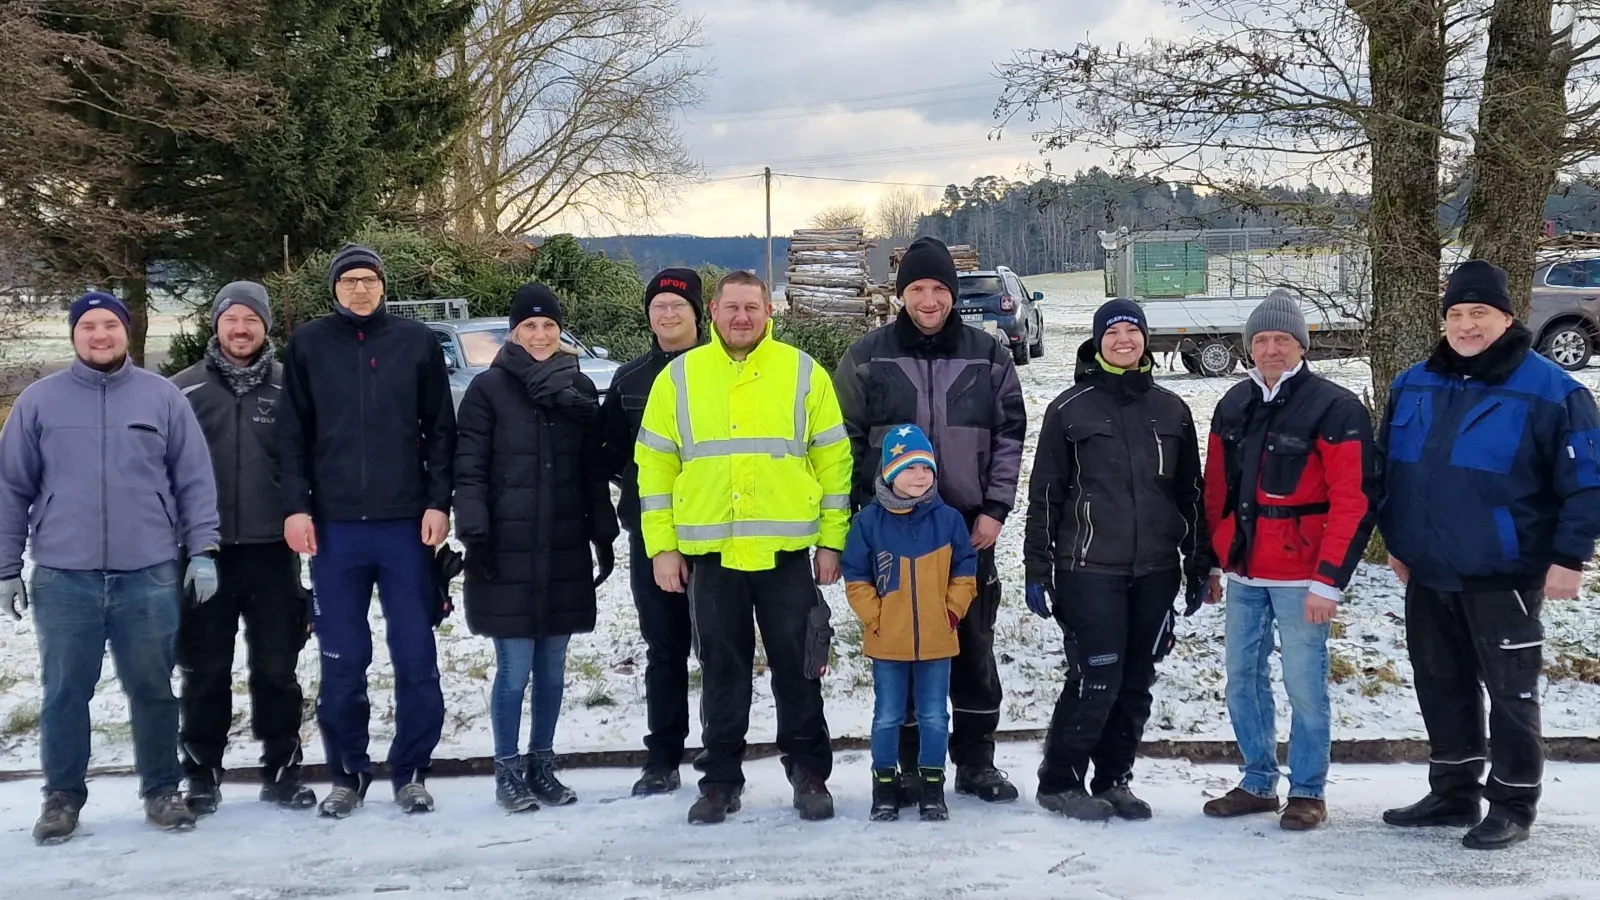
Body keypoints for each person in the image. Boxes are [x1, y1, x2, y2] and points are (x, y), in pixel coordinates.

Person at [1378, 260, 1600, 851]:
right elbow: (1388, 472)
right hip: (1428, 568)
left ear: (1507, 317)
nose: (1467, 325)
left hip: (1505, 570)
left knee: (1511, 692)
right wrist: (1398, 541)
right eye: (1456, 313)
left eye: (1480, 313)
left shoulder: (1554, 391)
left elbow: (1587, 484)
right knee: (1439, 682)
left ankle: (1512, 802)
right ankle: (1453, 792)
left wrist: (1570, 558)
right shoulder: (1414, 382)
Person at [0, 292, 221, 843]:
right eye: (89, 327)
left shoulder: (162, 398)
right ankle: (61, 798)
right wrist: (6, 566)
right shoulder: (39, 402)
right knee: (64, 691)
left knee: (152, 688)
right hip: (63, 575)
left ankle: (162, 790)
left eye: (111, 326)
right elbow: (11, 488)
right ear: (74, 335)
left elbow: (194, 480)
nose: (101, 335)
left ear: (126, 332)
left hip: (147, 572)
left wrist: (203, 550)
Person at [635, 270, 853, 825]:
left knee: (800, 671)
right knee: (721, 673)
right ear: (713, 311)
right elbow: (654, 469)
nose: (741, 318)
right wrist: (662, 548)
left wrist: (832, 542)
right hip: (713, 557)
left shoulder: (803, 373)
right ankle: (720, 781)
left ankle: (808, 774)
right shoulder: (679, 378)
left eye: (752, 308)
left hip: (786, 557)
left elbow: (833, 462)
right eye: (731, 307)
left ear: (768, 312)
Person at [833, 235, 1027, 806]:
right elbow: (841, 439)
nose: (928, 298)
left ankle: (975, 760)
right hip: (890, 530)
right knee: (904, 646)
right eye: (916, 288)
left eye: (939, 287)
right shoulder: (866, 356)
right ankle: (914, 765)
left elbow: (1010, 434)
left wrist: (994, 509)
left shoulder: (988, 354)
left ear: (953, 293)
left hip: (965, 529)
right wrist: (860, 515)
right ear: (901, 295)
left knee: (970, 642)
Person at [278, 243, 456, 818]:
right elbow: (291, 437)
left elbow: (441, 431)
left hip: (405, 527)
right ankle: (347, 774)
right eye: (349, 280)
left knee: (414, 654)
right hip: (334, 532)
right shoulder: (308, 344)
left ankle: (411, 771)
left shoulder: (416, 342)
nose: (359, 289)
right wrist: (297, 508)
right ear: (334, 288)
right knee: (343, 658)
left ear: (384, 285)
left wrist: (437, 503)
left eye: (369, 280)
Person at [1021, 299, 1213, 821]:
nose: (1124, 339)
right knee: (1096, 678)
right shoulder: (1069, 408)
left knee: (1135, 682)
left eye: (1133, 330)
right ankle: (1059, 780)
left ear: (1146, 339)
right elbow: (1045, 496)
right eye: (1113, 332)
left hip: (1154, 571)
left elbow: (1190, 493)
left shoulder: (1171, 409)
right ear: (1098, 340)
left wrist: (1199, 564)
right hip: (1088, 570)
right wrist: (1037, 568)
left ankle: (1113, 780)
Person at [1199, 289, 1379, 831]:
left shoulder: (1336, 407)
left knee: (1304, 684)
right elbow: (1215, 493)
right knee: (1241, 679)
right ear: (1248, 347)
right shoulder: (1232, 403)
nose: (1271, 349)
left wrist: (1330, 580)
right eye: (1261, 340)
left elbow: (1355, 496)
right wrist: (1213, 562)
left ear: (1301, 345)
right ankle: (1257, 780)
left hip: (1303, 576)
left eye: (1282, 339)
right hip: (1244, 573)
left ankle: (1307, 790)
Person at [454, 284, 619, 813]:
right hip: (506, 547)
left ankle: (542, 765)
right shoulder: (488, 390)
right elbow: (470, 470)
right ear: (514, 331)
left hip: (564, 543)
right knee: (515, 667)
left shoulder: (576, 388)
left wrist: (603, 530)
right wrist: (474, 534)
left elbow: (591, 467)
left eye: (549, 325)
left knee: (552, 669)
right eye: (530, 326)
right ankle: (507, 769)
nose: (541, 335)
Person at [170, 282, 315, 814]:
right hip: (204, 555)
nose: (240, 328)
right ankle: (201, 773)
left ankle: (282, 768)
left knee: (276, 669)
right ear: (216, 324)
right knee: (204, 670)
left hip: (274, 552)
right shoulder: (181, 391)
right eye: (230, 318)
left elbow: (309, 463)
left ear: (266, 326)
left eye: (250, 319)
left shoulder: (289, 389)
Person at [600, 268, 704, 796]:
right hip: (652, 534)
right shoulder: (631, 378)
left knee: (718, 648)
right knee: (665, 649)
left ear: (697, 314)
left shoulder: (723, 370)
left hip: (715, 532)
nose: (667, 315)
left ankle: (718, 750)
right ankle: (662, 756)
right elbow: (610, 453)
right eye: (658, 307)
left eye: (678, 307)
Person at [842, 424, 977, 823]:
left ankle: (931, 787)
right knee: (888, 715)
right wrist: (876, 618)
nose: (920, 476)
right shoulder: (869, 523)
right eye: (910, 468)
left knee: (935, 716)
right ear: (888, 473)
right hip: (888, 643)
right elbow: (856, 576)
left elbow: (965, 569)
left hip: (938, 641)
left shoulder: (949, 520)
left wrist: (952, 611)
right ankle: (884, 786)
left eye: (927, 468)